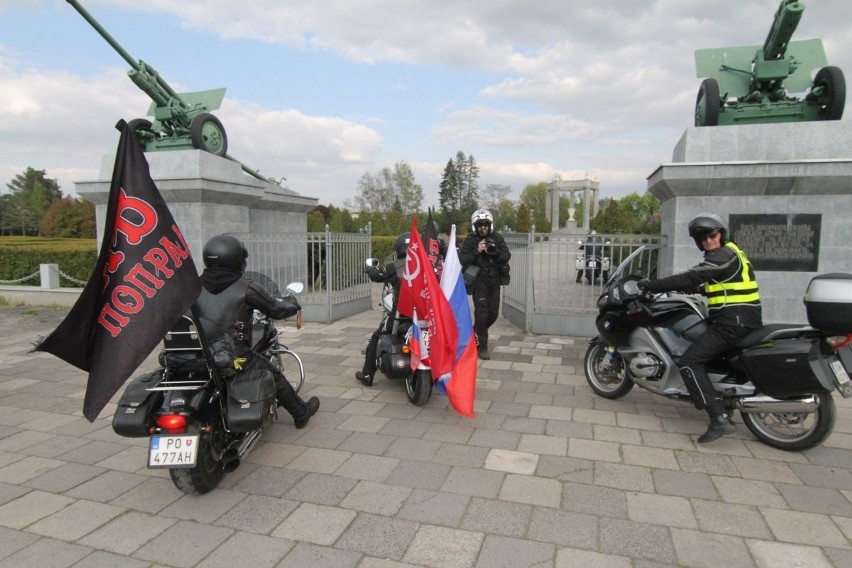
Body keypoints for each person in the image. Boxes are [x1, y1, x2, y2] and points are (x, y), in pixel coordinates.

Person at [638, 213, 762, 443]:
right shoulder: (733, 253)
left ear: (721, 234)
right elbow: (725, 285)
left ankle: (719, 418)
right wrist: (697, 290)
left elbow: (694, 275)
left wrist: (652, 286)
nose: (708, 241)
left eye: (712, 236)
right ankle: (723, 400)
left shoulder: (723, 253)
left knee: (690, 362)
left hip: (731, 323)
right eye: (703, 239)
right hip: (740, 319)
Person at [195, 234, 319, 428]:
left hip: (197, 354)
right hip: (235, 357)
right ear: (237, 259)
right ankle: (301, 413)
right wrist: (293, 304)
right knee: (273, 373)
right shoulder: (246, 287)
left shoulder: (191, 285)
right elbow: (276, 309)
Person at [355, 232, 409, 386]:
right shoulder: (426, 265)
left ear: (399, 248)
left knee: (376, 337)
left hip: (400, 315)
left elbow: (377, 276)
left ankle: (367, 375)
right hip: (423, 315)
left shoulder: (394, 266)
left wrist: (370, 268)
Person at [459, 209, 512, 360]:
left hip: (494, 280)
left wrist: (495, 251)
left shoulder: (497, 238)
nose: (483, 227)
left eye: (486, 224)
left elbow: (507, 255)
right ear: (475, 226)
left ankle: (475, 333)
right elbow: (462, 259)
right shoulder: (470, 240)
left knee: (493, 313)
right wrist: (477, 250)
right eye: (480, 225)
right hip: (479, 281)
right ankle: (483, 346)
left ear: (490, 225)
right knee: (481, 313)